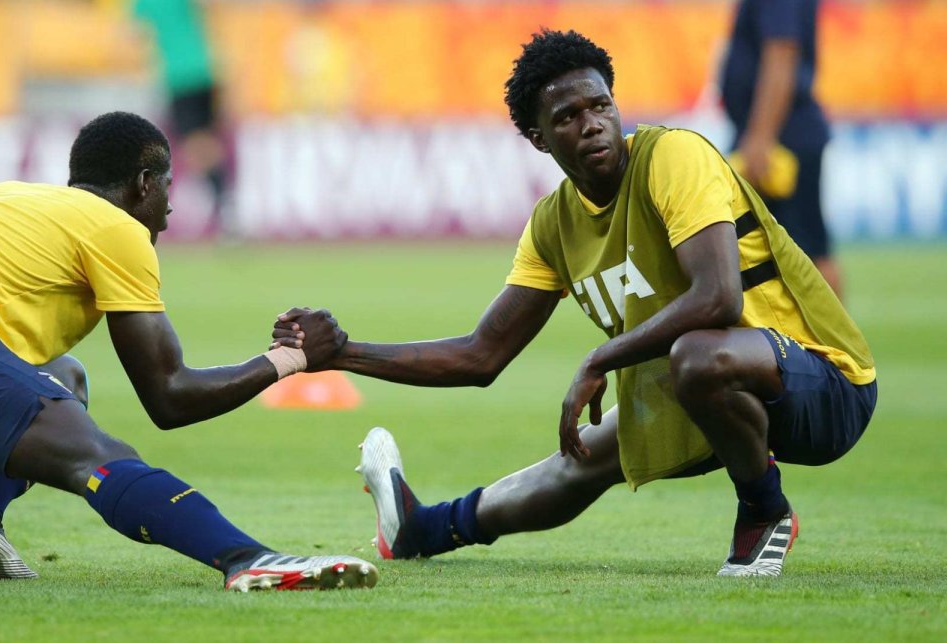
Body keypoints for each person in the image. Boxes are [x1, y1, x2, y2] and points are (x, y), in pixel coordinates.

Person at [274, 31, 876, 577]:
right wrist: (343, 354)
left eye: (600, 106)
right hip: (717, 390)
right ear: (539, 139)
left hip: (823, 382)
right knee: (581, 459)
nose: (592, 125)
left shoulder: (673, 157)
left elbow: (717, 296)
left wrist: (600, 359)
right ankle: (421, 530)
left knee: (695, 357)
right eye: (568, 116)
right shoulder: (554, 226)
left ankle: (764, 512)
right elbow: (480, 356)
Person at [0, 111, 377, 592]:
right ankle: (248, 559)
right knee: (98, 458)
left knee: (64, 377)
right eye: (167, 188)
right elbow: (170, 398)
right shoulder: (118, 229)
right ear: (144, 184)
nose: (168, 209)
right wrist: (290, 360)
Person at [720, 0, 843, 297]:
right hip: (780, 132)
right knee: (797, 248)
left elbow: (782, 51)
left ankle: (835, 346)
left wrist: (760, 137)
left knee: (809, 253)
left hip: (780, 138)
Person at [132, 0, 233, 235]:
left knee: (194, 144)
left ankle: (225, 203)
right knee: (203, 140)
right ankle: (224, 202)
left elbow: (132, 35)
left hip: (179, 77)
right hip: (205, 68)